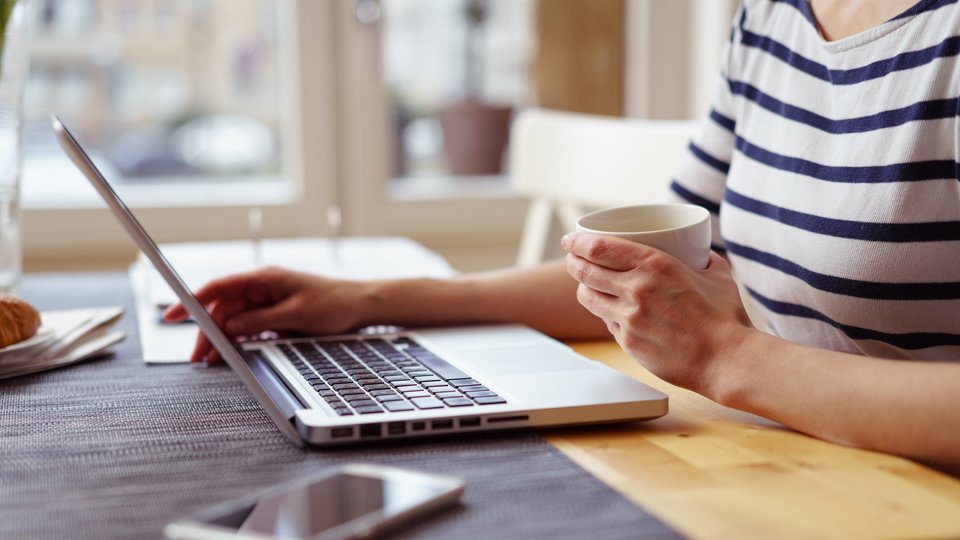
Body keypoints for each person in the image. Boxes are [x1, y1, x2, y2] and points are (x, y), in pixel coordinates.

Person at [165, 0, 960, 468]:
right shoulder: (768, 19)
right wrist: (369, 301)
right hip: (787, 460)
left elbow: (710, 343)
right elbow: (652, 281)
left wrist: (727, 357)